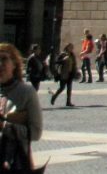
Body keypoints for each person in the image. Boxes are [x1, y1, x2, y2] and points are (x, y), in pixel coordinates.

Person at [0, 43, 43, 172]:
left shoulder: (26, 92)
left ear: (14, 63)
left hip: (15, 163)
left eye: (4, 59)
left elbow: (36, 132)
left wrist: (6, 126)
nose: (0, 64)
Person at [49, 43, 77, 107]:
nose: (71, 48)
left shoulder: (72, 55)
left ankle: (68, 102)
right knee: (62, 87)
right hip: (64, 73)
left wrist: (75, 71)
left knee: (69, 88)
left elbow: (74, 64)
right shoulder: (63, 54)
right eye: (70, 47)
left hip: (70, 73)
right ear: (67, 47)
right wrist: (63, 60)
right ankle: (54, 97)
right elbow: (56, 62)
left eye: (72, 47)